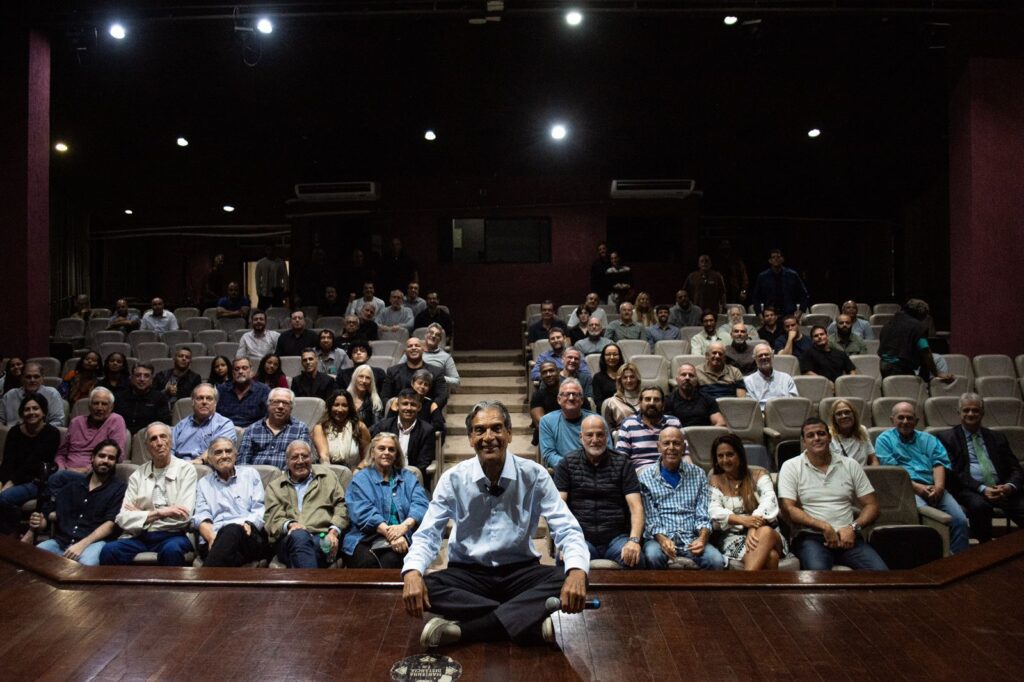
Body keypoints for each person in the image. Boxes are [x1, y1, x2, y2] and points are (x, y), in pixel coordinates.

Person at [402, 400, 590, 647]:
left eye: (497, 428)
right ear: (470, 438)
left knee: (564, 577)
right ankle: (526, 619)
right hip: (468, 574)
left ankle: (467, 631)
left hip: (520, 572)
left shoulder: (534, 475)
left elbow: (566, 527)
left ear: (509, 434)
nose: (488, 437)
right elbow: (428, 535)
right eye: (480, 430)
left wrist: (577, 571)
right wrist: (413, 571)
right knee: (424, 584)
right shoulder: (453, 479)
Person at [777, 418, 887, 570]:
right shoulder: (791, 466)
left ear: (829, 437)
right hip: (811, 538)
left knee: (881, 573)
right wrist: (824, 527)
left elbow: (872, 506)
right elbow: (788, 509)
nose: (817, 438)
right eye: (810, 435)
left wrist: (853, 527)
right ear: (803, 441)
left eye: (821, 433)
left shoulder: (850, 464)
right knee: (819, 578)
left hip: (848, 536)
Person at [875, 401, 970, 554]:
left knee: (959, 520)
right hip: (906, 491)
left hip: (934, 487)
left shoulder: (928, 439)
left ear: (916, 421)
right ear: (892, 419)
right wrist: (919, 489)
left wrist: (939, 488)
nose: (905, 422)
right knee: (927, 518)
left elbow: (939, 463)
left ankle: (959, 561)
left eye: (909, 418)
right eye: (901, 418)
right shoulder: (884, 440)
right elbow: (894, 472)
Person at [99, 422, 198, 566]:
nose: (159, 443)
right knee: (109, 550)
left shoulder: (186, 470)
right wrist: (161, 513)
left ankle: (171, 590)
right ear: (147, 447)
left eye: (163, 437)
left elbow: (184, 516)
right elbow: (122, 519)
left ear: (170, 441)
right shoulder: (137, 475)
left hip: (172, 535)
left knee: (172, 550)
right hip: (139, 536)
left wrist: (141, 515)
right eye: (153, 439)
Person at [554, 415, 646, 568]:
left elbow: (636, 507)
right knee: (566, 560)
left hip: (616, 538)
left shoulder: (623, 463)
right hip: (581, 537)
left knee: (637, 559)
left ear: (607, 436)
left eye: (600, 434)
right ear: (580, 437)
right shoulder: (567, 464)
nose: (595, 439)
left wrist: (634, 541)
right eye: (589, 435)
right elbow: (558, 507)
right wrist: (565, 542)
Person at [937, 393, 1024, 543]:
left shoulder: (997, 437)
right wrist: (983, 489)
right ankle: (986, 550)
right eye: (966, 410)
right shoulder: (946, 438)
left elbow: (1015, 468)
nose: (971, 414)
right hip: (970, 490)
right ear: (959, 413)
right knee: (980, 507)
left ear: (982, 413)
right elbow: (955, 473)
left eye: (975, 410)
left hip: (1002, 489)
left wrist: (1009, 487)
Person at [24, 439, 126, 564]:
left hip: (92, 544)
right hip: (61, 543)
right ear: (92, 458)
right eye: (102, 456)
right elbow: (47, 516)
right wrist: (40, 522)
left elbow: (110, 525)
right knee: (32, 558)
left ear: (116, 462)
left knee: (84, 566)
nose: (105, 460)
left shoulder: (119, 489)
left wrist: (81, 545)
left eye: (111, 458)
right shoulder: (73, 486)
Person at [639, 427, 724, 570]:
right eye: (666, 443)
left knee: (715, 560)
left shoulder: (698, 474)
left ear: (684, 447)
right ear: (658, 447)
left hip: (691, 538)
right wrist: (663, 539)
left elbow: (703, 513)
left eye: (676, 443)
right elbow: (651, 518)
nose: (671, 448)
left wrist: (702, 539)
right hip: (659, 539)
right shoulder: (645, 477)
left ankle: (706, 594)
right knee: (653, 556)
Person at [343, 432, 430, 568]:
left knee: (392, 560)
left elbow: (421, 504)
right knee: (368, 562)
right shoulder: (360, 479)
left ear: (396, 454)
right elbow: (362, 512)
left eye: (391, 449)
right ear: (372, 452)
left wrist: (403, 527)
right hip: (365, 537)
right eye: (381, 448)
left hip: (404, 534)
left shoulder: (408, 477)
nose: (387, 452)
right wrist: (392, 535)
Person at [264, 440, 350, 568]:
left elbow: (342, 506)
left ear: (312, 458)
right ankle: (312, 585)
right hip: (288, 540)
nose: (300, 461)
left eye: (304, 456)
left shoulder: (328, 477)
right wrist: (290, 525)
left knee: (311, 549)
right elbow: (272, 518)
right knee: (299, 536)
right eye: (294, 457)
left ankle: (304, 584)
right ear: (286, 462)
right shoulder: (275, 487)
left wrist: (333, 532)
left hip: (322, 536)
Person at [708, 434, 786, 570]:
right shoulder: (715, 480)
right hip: (733, 539)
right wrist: (743, 521)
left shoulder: (759, 474)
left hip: (770, 533)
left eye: (730, 454)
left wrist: (753, 526)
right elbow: (713, 511)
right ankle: (757, 589)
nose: (725, 460)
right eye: (720, 456)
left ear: (740, 454)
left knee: (766, 532)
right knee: (771, 556)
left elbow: (770, 501)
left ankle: (744, 585)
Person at [192, 436, 269, 567]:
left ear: (235, 455)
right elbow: (201, 514)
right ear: (210, 459)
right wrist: (211, 537)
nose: (224, 456)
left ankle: (202, 581)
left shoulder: (250, 475)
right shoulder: (203, 483)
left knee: (232, 529)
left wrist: (250, 523)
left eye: (228, 451)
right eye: (218, 452)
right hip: (214, 538)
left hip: (247, 535)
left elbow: (259, 508)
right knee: (231, 556)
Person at [0, 395, 60, 535]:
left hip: (36, 481)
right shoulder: (14, 431)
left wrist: (11, 483)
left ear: (43, 412)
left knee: (4, 498)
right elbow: (7, 461)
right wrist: (3, 482)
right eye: (27, 409)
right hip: (13, 479)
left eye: (35, 408)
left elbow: (34, 464)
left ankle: (10, 537)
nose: (31, 412)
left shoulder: (52, 433)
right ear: (22, 413)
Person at [372, 389, 437, 486]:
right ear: (397, 406)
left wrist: (400, 478)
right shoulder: (384, 426)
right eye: (405, 403)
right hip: (383, 476)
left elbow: (423, 462)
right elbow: (374, 454)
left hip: (411, 480)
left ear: (419, 407)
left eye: (413, 404)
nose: (409, 408)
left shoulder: (427, 430)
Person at [878, 299, 953, 382]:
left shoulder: (889, 323)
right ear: (921, 314)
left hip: (884, 365)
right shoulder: (918, 327)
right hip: (899, 368)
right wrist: (937, 373)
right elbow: (925, 352)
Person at [55, 387, 126, 475]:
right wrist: (62, 469)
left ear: (111, 407)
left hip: (95, 474)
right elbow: (61, 453)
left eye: (104, 404)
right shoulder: (76, 422)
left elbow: (117, 456)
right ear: (89, 406)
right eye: (96, 403)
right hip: (65, 472)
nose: (99, 408)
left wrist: (85, 470)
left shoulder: (116, 420)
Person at [238, 387, 313, 469]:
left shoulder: (300, 429)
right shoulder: (252, 429)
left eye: (285, 403)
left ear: (291, 408)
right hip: (255, 477)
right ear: (268, 404)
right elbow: (242, 461)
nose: (280, 406)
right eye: (276, 402)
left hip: (286, 478)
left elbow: (301, 460)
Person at [617, 386, 686, 471]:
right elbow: (621, 458)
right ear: (640, 403)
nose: (652, 403)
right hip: (640, 474)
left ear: (663, 404)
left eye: (656, 400)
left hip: (670, 470)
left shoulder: (673, 422)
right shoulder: (629, 424)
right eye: (647, 399)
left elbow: (684, 454)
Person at [539, 378, 601, 470]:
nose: (571, 398)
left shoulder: (597, 421)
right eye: (566, 394)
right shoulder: (547, 421)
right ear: (559, 399)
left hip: (594, 471)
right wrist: (575, 467)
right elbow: (549, 455)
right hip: (563, 472)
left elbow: (606, 450)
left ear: (582, 400)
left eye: (575, 394)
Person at [171, 383, 237, 462]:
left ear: (215, 403)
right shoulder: (180, 426)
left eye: (209, 398)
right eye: (200, 398)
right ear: (192, 402)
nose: (204, 402)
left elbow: (218, 449)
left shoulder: (224, 424)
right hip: (180, 468)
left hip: (208, 468)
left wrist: (199, 461)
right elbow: (169, 450)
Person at [382, 337, 449, 409]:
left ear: (423, 350)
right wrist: (395, 405)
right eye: (410, 346)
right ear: (405, 351)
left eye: (417, 345)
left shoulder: (437, 372)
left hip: (427, 413)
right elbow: (384, 396)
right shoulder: (392, 371)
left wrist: (432, 407)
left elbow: (442, 396)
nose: (413, 348)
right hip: (399, 412)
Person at [312, 389, 371, 469]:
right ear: (330, 407)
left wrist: (358, 470)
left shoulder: (360, 427)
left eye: (344, 405)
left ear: (350, 408)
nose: (340, 409)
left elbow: (367, 457)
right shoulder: (320, 428)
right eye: (336, 405)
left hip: (355, 473)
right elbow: (324, 456)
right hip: (329, 469)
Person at [112, 362, 171, 434]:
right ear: (131, 378)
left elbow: (164, 425)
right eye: (138, 375)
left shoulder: (160, 398)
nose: (142, 379)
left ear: (151, 380)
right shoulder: (119, 396)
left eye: (146, 376)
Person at [0, 361, 65, 427]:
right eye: (28, 377)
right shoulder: (9, 395)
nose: (32, 380)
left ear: (42, 378)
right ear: (22, 378)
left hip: (42, 435)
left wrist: (37, 432)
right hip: (12, 434)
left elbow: (58, 421)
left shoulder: (52, 394)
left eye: (36, 376)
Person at [750, 249, 810, 317]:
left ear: (782, 259)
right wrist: (759, 313)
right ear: (769, 261)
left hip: (789, 313)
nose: (776, 259)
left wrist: (801, 311)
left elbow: (804, 294)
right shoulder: (762, 277)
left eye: (778, 257)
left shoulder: (792, 275)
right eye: (773, 257)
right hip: (770, 314)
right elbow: (756, 297)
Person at [385, 369, 446, 436]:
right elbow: (388, 424)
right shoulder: (401, 400)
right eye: (419, 383)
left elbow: (439, 427)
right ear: (412, 383)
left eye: (426, 385)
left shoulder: (431, 404)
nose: (422, 387)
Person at [664, 363, 726, 427]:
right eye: (683, 375)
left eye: (691, 375)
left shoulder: (708, 399)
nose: (687, 378)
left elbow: (721, 423)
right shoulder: (667, 401)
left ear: (696, 380)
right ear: (677, 379)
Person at [216, 357, 271, 428]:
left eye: (244, 368)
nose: (240, 371)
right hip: (225, 431)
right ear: (233, 373)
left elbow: (268, 417)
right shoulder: (221, 390)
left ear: (251, 371)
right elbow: (215, 416)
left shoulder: (263, 390)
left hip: (253, 431)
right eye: (237, 369)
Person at [743, 343, 798, 410]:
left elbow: (794, 402)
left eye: (766, 354)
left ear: (772, 356)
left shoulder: (786, 378)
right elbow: (751, 407)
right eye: (760, 355)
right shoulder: (748, 381)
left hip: (785, 414)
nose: (764, 357)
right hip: (760, 417)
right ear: (755, 359)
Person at [827, 399, 879, 466]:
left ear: (854, 414)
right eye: (839, 414)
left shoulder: (862, 430)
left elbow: (873, 459)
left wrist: (875, 474)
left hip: (863, 474)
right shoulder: (828, 435)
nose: (844, 416)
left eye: (847, 412)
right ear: (834, 418)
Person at [601, 362, 642, 432]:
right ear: (620, 381)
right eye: (625, 378)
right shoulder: (611, 402)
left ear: (637, 379)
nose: (629, 380)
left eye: (632, 377)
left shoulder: (646, 398)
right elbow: (608, 429)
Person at [529, 361, 562, 445]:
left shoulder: (570, 392)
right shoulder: (538, 395)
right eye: (544, 372)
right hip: (548, 435)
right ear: (541, 376)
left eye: (551, 371)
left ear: (558, 372)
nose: (548, 374)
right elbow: (541, 424)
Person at [420, 323, 460, 389]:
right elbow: (398, 371)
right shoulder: (414, 351)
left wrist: (437, 377)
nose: (433, 336)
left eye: (437, 335)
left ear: (440, 340)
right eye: (431, 332)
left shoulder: (445, 357)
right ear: (425, 335)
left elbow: (456, 381)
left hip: (434, 392)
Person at [348, 364, 385, 429]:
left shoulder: (375, 401)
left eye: (367, 378)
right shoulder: (345, 398)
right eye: (361, 376)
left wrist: (363, 433)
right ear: (354, 378)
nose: (364, 381)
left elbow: (377, 426)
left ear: (371, 381)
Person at [254, 245, 288, 311]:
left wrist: (285, 290)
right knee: (262, 312)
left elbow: (285, 277)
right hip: (264, 293)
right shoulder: (260, 263)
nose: (270, 252)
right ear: (266, 250)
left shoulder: (281, 263)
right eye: (268, 249)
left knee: (277, 312)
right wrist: (259, 292)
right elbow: (257, 278)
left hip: (277, 292)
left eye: (272, 249)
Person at [591, 343, 623, 410]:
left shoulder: (625, 375)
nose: (612, 357)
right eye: (608, 354)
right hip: (606, 411)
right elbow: (598, 401)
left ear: (620, 356)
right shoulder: (598, 377)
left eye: (615, 354)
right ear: (603, 357)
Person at [717, 238, 749, 304]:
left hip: (735, 290)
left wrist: (744, 290)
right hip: (721, 291)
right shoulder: (718, 261)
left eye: (727, 246)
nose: (725, 248)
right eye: (723, 245)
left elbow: (744, 277)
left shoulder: (737, 261)